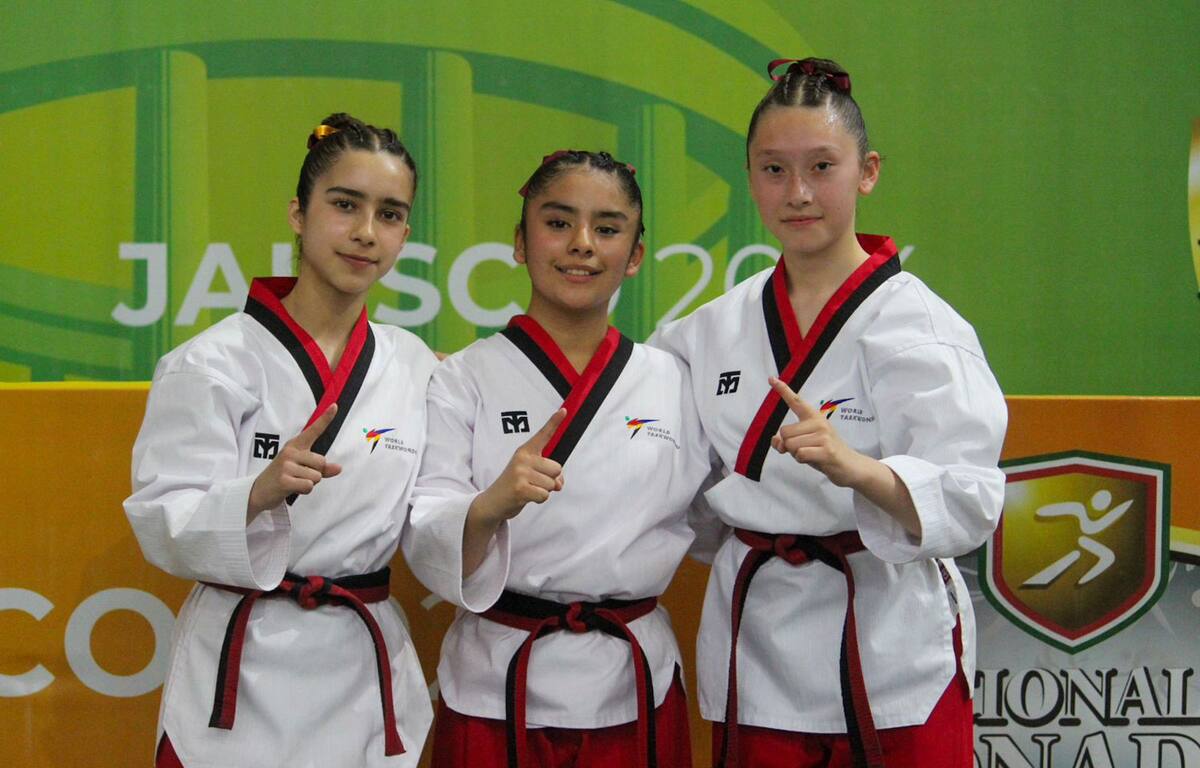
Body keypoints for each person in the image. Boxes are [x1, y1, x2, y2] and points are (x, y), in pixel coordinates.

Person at [651, 58, 1007, 768]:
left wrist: (859, 470)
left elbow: (968, 498)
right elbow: (659, 469)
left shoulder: (920, 324)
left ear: (867, 171)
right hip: (757, 641)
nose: (799, 193)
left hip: (889, 646)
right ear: (749, 176)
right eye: (773, 170)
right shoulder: (706, 331)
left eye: (822, 166)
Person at [124, 113, 438, 767]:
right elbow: (162, 518)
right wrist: (255, 493)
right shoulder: (210, 362)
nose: (364, 233)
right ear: (299, 213)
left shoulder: (417, 368)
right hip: (241, 670)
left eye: (389, 214)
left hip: (361, 661)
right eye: (344, 205)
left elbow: (435, 516)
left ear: (405, 233)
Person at [404, 150, 711, 768]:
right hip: (499, 685)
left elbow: (716, 519)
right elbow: (427, 536)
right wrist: (490, 505)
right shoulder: (465, 377)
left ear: (636, 256)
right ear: (519, 242)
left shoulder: (673, 381)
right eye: (557, 222)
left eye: (607, 228)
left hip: (634, 683)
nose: (581, 245)